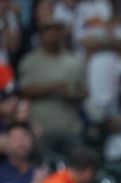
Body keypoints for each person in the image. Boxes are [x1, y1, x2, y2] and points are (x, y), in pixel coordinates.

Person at [18, 19, 86, 154]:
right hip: (41, 127)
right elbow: (23, 91)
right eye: (48, 32)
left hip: (69, 126)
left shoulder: (74, 61)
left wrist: (72, 95)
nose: (52, 36)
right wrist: (53, 88)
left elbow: (84, 92)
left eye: (56, 32)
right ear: (40, 36)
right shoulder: (30, 61)